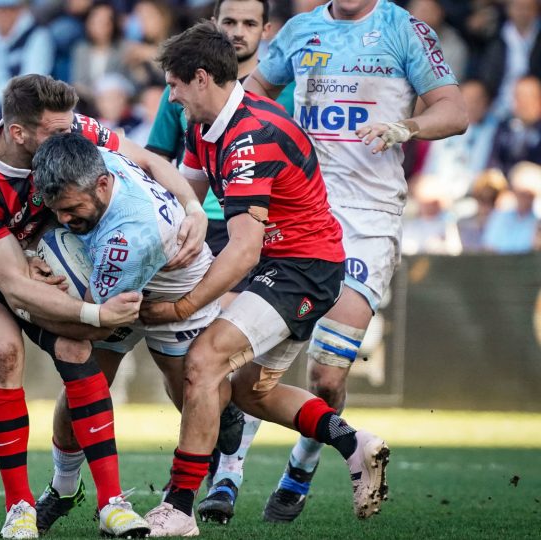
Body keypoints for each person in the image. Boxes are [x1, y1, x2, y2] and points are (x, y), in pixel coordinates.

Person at [138, 23, 390, 537]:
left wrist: (181, 307)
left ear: (202, 78)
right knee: (250, 391)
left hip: (300, 270)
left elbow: (243, 248)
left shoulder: (252, 137)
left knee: (205, 359)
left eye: (175, 84)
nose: (172, 96)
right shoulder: (203, 127)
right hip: (284, 265)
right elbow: (186, 195)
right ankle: (355, 444)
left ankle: (180, 507)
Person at [0, 73, 208, 539]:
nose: (72, 134)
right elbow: (13, 285)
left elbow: (143, 157)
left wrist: (193, 207)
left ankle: (111, 503)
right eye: (57, 131)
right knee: (5, 354)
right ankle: (18, 507)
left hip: (40, 256)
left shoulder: (68, 131)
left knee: (77, 351)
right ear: (19, 133)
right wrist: (94, 315)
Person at [242, 0, 467, 523]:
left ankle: (302, 466)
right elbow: (254, 95)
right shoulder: (301, 30)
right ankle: (225, 478)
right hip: (301, 208)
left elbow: (454, 111)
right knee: (252, 365)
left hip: (368, 218)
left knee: (326, 378)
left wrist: (406, 127)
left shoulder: (403, 29)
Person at [30, 133, 219, 535]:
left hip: (176, 291)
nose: (64, 219)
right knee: (83, 383)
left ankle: (198, 486)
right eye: (56, 210)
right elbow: (152, 158)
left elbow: (91, 320)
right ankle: (64, 488)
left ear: (102, 184)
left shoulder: (129, 237)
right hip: (118, 288)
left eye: (72, 208)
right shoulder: (89, 152)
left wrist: (24, 302)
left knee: (192, 388)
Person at [145, 0, 285, 524]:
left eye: (250, 23)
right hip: (197, 228)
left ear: (265, 31)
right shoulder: (180, 94)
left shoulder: (276, 99)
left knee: (216, 359)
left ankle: (224, 472)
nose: (238, 32)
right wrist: (183, 212)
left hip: (264, 235)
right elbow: (160, 165)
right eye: (230, 21)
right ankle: (210, 463)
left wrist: (181, 307)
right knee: (186, 365)